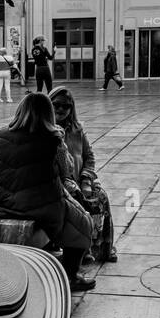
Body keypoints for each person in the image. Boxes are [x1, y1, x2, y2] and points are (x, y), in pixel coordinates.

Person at [0, 92, 95, 292]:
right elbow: (67, 170)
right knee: (83, 222)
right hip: (36, 202)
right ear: (48, 113)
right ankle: (70, 275)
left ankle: (51, 258)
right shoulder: (53, 139)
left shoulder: (1, 135)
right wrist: (62, 145)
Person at [50, 88, 117, 264]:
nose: (61, 109)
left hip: (81, 180)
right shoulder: (47, 131)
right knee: (77, 200)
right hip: (60, 183)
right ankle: (82, 248)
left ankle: (103, 247)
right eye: (56, 105)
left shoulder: (77, 130)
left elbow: (89, 156)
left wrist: (87, 179)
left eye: (67, 106)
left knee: (100, 196)